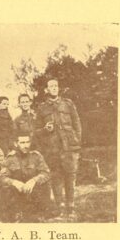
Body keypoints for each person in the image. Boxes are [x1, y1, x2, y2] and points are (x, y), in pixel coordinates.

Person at [35, 78, 82, 220]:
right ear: (47, 90)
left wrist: (77, 141)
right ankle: (60, 208)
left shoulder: (68, 104)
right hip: (52, 150)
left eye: (56, 86)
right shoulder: (42, 108)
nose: (54, 88)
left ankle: (71, 207)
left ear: (58, 88)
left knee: (70, 176)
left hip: (69, 148)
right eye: (51, 86)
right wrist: (45, 129)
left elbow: (77, 123)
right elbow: (37, 130)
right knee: (56, 178)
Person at [0, 135, 51, 221]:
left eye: (27, 142)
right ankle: (16, 213)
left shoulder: (36, 156)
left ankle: (40, 213)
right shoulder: (10, 158)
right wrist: (14, 182)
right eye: (22, 143)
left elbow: (46, 172)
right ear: (16, 144)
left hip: (33, 191)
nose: (26, 145)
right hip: (18, 192)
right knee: (6, 187)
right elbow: (2, 177)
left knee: (44, 183)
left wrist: (34, 180)